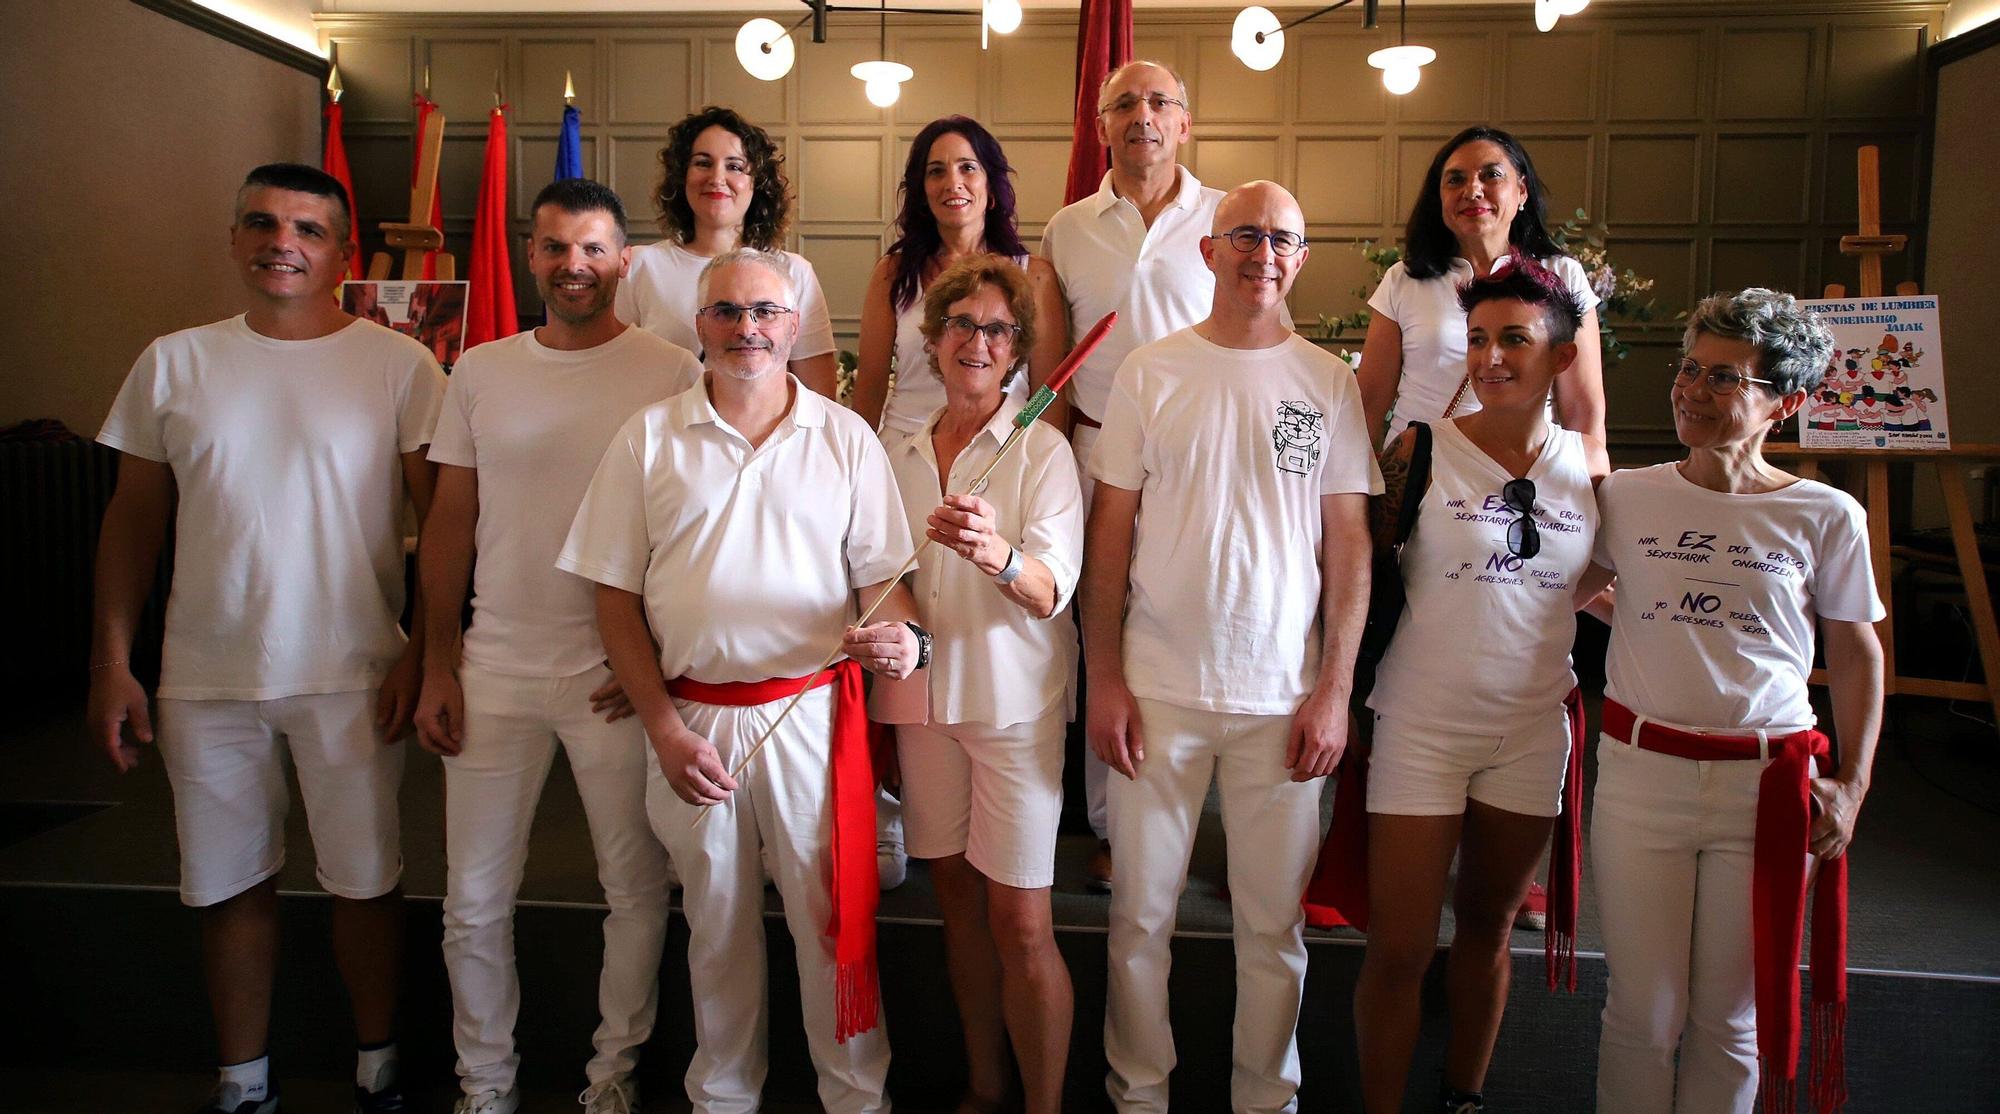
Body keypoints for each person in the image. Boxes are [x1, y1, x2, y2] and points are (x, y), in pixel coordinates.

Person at [85, 163, 445, 1114]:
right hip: (205, 677)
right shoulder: (174, 362)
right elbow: (132, 521)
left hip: (353, 673)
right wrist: (112, 662)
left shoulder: (400, 365)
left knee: (366, 883)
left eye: (307, 228)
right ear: (235, 238)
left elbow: (446, 526)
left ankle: (378, 1069)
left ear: (341, 251)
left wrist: (424, 653)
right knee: (227, 886)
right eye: (262, 223)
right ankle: (242, 1083)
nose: (282, 242)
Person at [559, 248, 923, 1114]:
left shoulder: (845, 437)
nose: (746, 329)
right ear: (699, 325)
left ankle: (855, 1100)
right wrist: (663, 729)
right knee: (715, 929)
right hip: (693, 724)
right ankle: (721, 1099)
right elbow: (612, 596)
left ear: (794, 326)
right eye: (726, 311)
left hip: (810, 719)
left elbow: (886, 581)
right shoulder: (648, 437)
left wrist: (906, 640)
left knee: (830, 926)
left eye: (765, 312)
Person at [1082, 181, 1377, 1114]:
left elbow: (1349, 548)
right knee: (1138, 919)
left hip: (1281, 697)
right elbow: (1108, 538)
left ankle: (1266, 1100)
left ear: (1301, 257)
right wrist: (1104, 679)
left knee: (1273, 927)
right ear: (1209, 252)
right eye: (1245, 234)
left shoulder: (1327, 382)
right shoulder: (1151, 372)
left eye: (1282, 239)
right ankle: (1139, 1095)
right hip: (1156, 691)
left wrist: (1334, 690)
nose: (1263, 253)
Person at [414, 178, 701, 1114]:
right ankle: (484, 1085)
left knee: (635, 888)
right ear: (529, 254)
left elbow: (689, 530)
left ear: (623, 261)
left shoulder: (670, 370)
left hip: (609, 680)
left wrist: (647, 661)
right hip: (492, 669)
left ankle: (611, 1075)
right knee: (471, 900)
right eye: (554, 247)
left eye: (592, 249)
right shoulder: (480, 371)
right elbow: (449, 524)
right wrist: (438, 662)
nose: (573, 266)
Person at [1590, 288, 1884, 1114]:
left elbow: (1856, 651)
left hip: (1765, 790)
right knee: (1641, 1013)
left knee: (1730, 1021)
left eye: (1723, 378)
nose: (1691, 390)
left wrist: (1854, 784)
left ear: (1785, 403)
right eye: (1689, 369)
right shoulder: (1627, 496)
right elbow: (1567, 592)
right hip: (1642, 777)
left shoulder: (1826, 514)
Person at [1351, 261, 1609, 1114]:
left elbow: (1601, 579)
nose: (1491, 357)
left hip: (1530, 731)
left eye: (1514, 340)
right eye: (1478, 339)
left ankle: (1464, 1097)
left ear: (1562, 357)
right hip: (1420, 725)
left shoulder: (1590, 468)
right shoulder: (1419, 448)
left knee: (1489, 929)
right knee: (1398, 947)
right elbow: (1358, 570)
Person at [1042, 60, 1289, 890]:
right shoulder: (1067, 229)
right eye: (1123, 104)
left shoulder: (1228, 220)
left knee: (1182, 620)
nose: (1141, 115)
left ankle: (1202, 808)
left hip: (1196, 461)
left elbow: (1267, 337)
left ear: (1184, 123)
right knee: (1100, 631)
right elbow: (1052, 367)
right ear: (1101, 127)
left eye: (1159, 103)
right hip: (1095, 453)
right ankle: (1112, 825)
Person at [881, 255, 1082, 1114]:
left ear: (1017, 351)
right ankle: (984, 1089)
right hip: (925, 711)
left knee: (1022, 925)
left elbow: (1049, 590)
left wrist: (996, 554)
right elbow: (883, 575)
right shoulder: (895, 452)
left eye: (998, 329)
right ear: (934, 340)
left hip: (1013, 713)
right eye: (962, 324)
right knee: (958, 910)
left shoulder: (1044, 451)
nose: (978, 341)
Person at [1358, 126, 1606, 450]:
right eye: (1455, 180)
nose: (1473, 190)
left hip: (1524, 469)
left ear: (1522, 191)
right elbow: (1369, 404)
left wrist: (1587, 477)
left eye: (1491, 175)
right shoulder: (1403, 280)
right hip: (1422, 466)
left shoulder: (1562, 275)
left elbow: (1583, 409)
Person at [851, 115, 1066, 442]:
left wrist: (1039, 453)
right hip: (905, 447)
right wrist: (854, 465)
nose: (953, 182)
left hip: (1001, 449)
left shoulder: (1035, 276)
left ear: (990, 186)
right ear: (922, 191)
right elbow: (870, 387)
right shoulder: (892, 274)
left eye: (967, 167)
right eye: (936, 171)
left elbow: (1047, 392)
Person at [614, 105, 840, 398]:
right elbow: (615, 374)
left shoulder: (794, 272)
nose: (717, 178)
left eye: (734, 166)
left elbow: (819, 395)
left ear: (757, 182)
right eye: (703, 163)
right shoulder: (640, 266)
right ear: (682, 176)